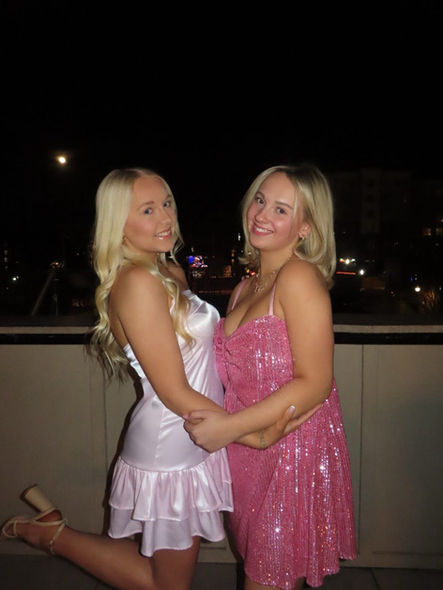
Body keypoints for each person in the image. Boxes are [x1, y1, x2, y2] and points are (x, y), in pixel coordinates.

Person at [1, 168, 314, 590]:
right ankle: (53, 535)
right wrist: (253, 436)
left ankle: (53, 529)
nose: (166, 218)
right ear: (119, 223)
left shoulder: (169, 272)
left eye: (167, 203)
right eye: (147, 210)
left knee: (170, 573)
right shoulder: (135, 283)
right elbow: (174, 392)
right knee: (166, 583)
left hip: (199, 432)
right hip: (171, 444)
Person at [184, 164, 357, 589]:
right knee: (257, 565)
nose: (262, 214)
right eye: (260, 200)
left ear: (305, 227)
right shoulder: (245, 288)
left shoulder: (299, 277)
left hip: (289, 451)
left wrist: (229, 429)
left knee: (267, 574)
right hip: (247, 448)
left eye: (281, 209)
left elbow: (315, 382)